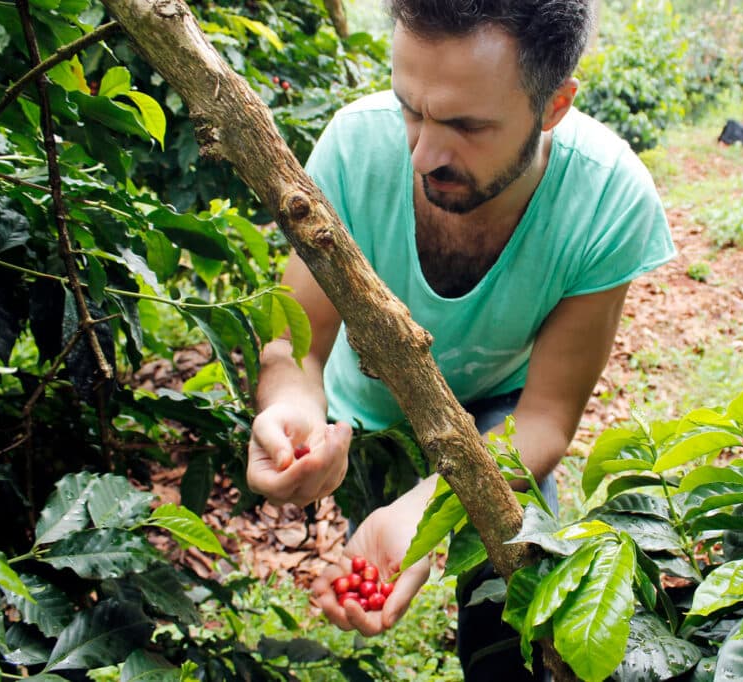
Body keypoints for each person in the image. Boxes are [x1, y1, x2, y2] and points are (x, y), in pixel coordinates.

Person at [246, 1, 675, 678]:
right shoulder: (355, 148)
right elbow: (295, 346)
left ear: (555, 105)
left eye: (467, 126)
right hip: (370, 412)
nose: (422, 153)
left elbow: (544, 418)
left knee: (511, 611)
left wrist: (428, 513)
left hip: (501, 407)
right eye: (409, 109)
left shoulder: (608, 202)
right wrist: (290, 409)